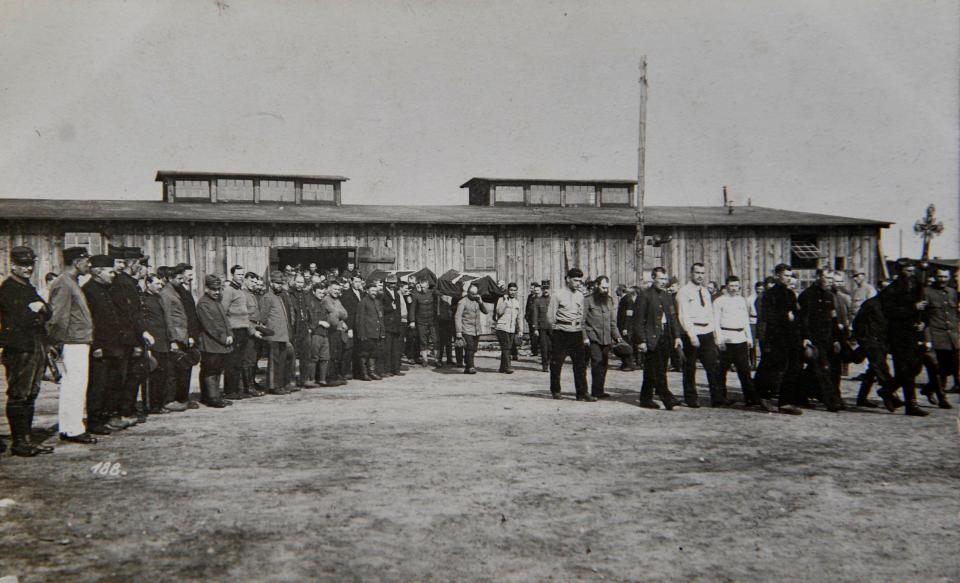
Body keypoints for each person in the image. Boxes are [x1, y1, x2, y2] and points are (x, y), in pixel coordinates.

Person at [0, 246, 54, 456]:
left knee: (31, 393)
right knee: (19, 394)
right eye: (23, 265)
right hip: (19, 348)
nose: (28, 268)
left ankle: (27, 438)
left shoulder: (27, 287)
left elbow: (48, 311)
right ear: (12, 265)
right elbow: (15, 321)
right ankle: (19, 442)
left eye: (30, 264)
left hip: (34, 346)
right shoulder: (8, 288)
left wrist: (40, 309)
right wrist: (34, 311)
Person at [47, 246, 99, 443]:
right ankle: (73, 429)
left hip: (78, 340)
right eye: (86, 261)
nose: (89, 265)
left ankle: (69, 427)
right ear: (77, 262)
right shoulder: (64, 284)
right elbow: (58, 317)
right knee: (75, 385)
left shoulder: (71, 282)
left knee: (75, 385)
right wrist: (55, 342)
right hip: (72, 341)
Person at [81, 255, 130, 435]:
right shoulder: (88, 291)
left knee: (113, 383)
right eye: (110, 272)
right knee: (98, 385)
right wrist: (96, 346)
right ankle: (94, 421)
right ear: (98, 272)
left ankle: (108, 417)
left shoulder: (107, 289)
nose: (113, 275)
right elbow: (90, 322)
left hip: (115, 346)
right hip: (101, 348)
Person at [879, 259, 929, 416]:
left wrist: (924, 323)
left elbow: (925, 308)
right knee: (905, 369)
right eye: (907, 270)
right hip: (899, 335)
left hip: (915, 332)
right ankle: (911, 405)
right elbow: (890, 312)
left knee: (915, 367)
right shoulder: (891, 290)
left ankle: (887, 389)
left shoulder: (917, 286)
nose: (911, 273)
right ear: (899, 271)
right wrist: (912, 308)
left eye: (912, 270)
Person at [108, 247, 152, 425]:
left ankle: (129, 408)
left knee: (134, 374)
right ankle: (124, 410)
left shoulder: (128, 282)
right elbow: (129, 314)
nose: (142, 268)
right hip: (129, 339)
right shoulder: (124, 283)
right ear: (132, 264)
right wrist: (137, 338)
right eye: (140, 263)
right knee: (128, 375)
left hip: (133, 337)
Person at [753, 264, 803, 415]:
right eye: (785, 275)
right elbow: (768, 317)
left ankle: (786, 402)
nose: (788, 278)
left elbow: (796, 316)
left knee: (791, 369)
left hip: (790, 338)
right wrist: (785, 316)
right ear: (777, 275)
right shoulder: (769, 295)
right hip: (775, 338)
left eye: (790, 275)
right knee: (771, 369)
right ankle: (763, 397)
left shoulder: (791, 294)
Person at [714, 276, 768, 410]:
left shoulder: (741, 301)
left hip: (740, 339)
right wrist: (719, 339)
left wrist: (748, 338)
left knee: (744, 371)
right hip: (726, 338)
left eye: (736, 286)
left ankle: (750, 398)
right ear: (726, 286)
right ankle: (720, 398)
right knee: (721, 371)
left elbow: (745, 320)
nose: (734, 288)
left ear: (739, 287)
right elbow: (715, 322)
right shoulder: (719, 301)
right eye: (731, 286)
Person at [676, 263, 726, 407]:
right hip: (692, 333)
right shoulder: (684, 292)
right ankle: (691, 398)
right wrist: (691, 335)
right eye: (697, 272)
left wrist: (716, 336)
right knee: (690, 367)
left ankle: (717, 398)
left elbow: (711, 315)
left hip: (707, 333)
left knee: (713, 365)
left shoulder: (705, 292)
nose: (700, 276)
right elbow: (683, 316)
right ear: (691, 273)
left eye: (702, 273)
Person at [634, 267, 682, 410]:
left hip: (665, 337)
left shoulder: (667, 296)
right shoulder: (645, 295)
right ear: (653, 278)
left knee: (653, 370)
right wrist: (641, 340)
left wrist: (677, 336)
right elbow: (638, 321)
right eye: (660, 279)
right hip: (651, 338)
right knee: (657, 370)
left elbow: (673, 318)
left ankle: (645, 399)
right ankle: (668, 399)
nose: (663, 282)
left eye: (665, 279)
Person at [797, 268, 844, 411]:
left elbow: (833, 319)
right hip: (814, 339)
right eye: (826, 277)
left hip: (828, 339)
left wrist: (836, 339)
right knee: (822, 369)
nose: (830, 281)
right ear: (818, 277)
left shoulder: (830, 296)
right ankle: (831, 401)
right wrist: (805, 337)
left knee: (822, 370)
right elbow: (803, 319)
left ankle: (802, 396)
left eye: (831, 278)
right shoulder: (807, 295)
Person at [546, 268, 591, 401]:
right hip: (561, 333)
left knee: (580, 364)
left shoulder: (580, 295)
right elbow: (550, 317)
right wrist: (554, 333)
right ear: (568, 279)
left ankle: (582, 393)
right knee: (556, 363)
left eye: (580, 281)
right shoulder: (557, 295)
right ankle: (556, 390)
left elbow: (581, 316)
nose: (578, 283)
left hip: (576, 333)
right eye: (576, 280)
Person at [852, 294, 897, 409]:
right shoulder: (870, 304)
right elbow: (857, 322)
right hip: (871, 342)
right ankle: (889, 395)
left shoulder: (890, 305)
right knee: (881, 368)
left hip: (882, 343)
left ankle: (862, 398)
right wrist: (864, 340)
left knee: (872, 370)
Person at [583, 276, 624, 400]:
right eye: (603, 287)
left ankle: (599, 390)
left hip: (606, 338)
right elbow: (582, 321)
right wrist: (585, 337)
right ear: (596, 285)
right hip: (593, 337)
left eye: (607, 288)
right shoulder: (588, 300)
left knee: (604, 364)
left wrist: (617, 337)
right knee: (596, 362)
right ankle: (595, 390)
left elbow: (612, 322)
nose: (605, 290)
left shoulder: (609, 300)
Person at [922, 267, 957, 408]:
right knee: (936, 369)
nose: (943, 280)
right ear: (935, 277)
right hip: (935, 337)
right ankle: (942, 397)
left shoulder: (952, 292)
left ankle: (928, 389)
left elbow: (954, 316)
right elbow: (923, 318)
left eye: (945, 277)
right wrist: (927, 339)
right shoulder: (926, 292)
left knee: (950, 369)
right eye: (940, 277)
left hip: (952, 337)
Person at [196, 275, 233, 408]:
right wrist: (224, 337)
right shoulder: (203, 303)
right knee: (211, 370)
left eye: (218, 289)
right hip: (210, 344)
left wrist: (230, 334)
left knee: (217, 369)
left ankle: (213, 395)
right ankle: (212, 398)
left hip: (220, 343)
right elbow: (210, 325)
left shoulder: (216, 301)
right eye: (213, 289)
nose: (217, 292)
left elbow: (225, 320)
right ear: (206, 289)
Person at [158, 265, 191, 412]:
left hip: (181, 335)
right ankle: (169, 400)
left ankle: (178, 398)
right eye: (178, 278)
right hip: (176, 336)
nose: (181, 281)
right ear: (170, 279)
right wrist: (172, 340)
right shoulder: (166, 294)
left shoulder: (175, 291)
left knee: (179, 369)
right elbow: (168, 318)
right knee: (172, 371)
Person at [222, 265, 258, 400]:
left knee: (239, 362)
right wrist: (227, 332)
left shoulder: (241, 291)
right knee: (232, 362)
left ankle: (237, 389)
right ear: (232, 275)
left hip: (243, 330)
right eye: (238, 275)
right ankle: (230, 391)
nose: (241, 277)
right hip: (234, 330)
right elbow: (223, 312)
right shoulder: (228, 290)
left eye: (242, 274)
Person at [141, 274, 173, 414]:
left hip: (164, 341)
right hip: (153, 342)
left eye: (161, 284)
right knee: (153, 374)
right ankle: (151, 405)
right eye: (157, 284)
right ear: (148, 284)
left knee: (163, 374)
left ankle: (160, 404)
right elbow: (144, 322)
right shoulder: (143, 299)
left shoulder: (159, 298)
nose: (160, 286)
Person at [172, 263, 200, 407]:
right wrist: (189, 334)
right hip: (185, 335)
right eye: (189, 275)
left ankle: (184, 397)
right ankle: (181, 399)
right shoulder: (178, 291)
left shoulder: (184, 289)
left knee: (187, 367)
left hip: (190, 335)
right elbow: (183, 316)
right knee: (182, 367)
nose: (191, 278)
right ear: (181, 275)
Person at [320, 281, 351, 383]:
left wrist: (339, 315)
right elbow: (333, 317)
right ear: (329, 289)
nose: (337, 291)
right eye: (334, 289)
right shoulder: (326, 300)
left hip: (337, 331)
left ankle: (336, 375)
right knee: (332, 354)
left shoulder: (337, 300)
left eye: (338, 289)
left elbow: (346, 314)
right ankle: (330, 378)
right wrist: (340, 318)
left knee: (338, 354)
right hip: (330, 331)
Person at [454, 284, 487, 374]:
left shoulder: (477, 301)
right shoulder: (462, 302)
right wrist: (458, 331)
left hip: (476, 329)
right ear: (468, 292)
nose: (474, 295)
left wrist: (481, 302)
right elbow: (457, 317)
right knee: (470, 348)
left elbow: (485, 311)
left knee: (473, 349)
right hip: (466, 329)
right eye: (472, 293)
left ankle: (467, 367)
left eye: (476, 293)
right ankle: (471, 367)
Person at [355, 281, 384, 381]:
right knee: (364, 354)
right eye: (372, 291)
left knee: (373, 353)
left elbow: (380, 318)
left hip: (376, 333)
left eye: (375, 291)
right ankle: (364, 373)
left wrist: (382, 331)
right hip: (367, 333)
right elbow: (360, 319)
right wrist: (361, 334)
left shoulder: (377, 302)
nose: (374, 293)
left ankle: (372, 372)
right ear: (367, 291)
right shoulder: (363, 302)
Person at [409, 278, 439, 367]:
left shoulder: (433, 294)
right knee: (423, 341)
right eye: (421, 287)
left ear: (428, 286)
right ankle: (425, 360)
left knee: (436, 340)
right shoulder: (417, 296)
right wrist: (412, 321)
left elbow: (439, 290)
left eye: (424, 287)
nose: (422, 289)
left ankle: (437, 360)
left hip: (432, 321)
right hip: (421, 321)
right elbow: (412, 309)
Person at [494, 283, 523, 374]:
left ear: (516, 291)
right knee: (506, 347)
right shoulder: (501, 300)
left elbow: (519, 317)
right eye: (511, 290)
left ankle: (502, 367)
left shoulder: (517, 302)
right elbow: (499, 312)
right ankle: (508, 367)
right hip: (502, 327)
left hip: (511, 328)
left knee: (507, 347)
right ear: (507, 290)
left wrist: (521, 330)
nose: (512, 292)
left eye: (514, 290)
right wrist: (505, 302)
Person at [381, 275, 406, 377]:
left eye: (394, 283)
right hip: (388, 325)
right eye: (391, 283)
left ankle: (396, 369)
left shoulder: (397, 294)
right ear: (386, 283)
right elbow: (381, 309)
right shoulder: (383, 294)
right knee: (387, 349)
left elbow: (399, 310)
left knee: (396, 349)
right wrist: (390, 308)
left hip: (396, 325)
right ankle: (387, 370)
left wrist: (399, 323)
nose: (392, 285)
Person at [340, 274, 364, 379]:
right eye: (356, 281)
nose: (357, 284)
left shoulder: (362, 294)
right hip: (351, 325)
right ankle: (344, 372)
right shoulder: (346, 294)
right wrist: (349, 328)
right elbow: (347, 312)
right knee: (348, 349)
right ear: (351, 282)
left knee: (359, 349)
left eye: (359, 282)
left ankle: (357, 372)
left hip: (360, 326)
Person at [616, 285, 639, 371]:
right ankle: (625, 363)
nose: (615, 292)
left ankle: (629, 364)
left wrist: (626, 327)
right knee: (623, 345)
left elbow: (629, 315)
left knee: (627, 345)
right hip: (622, 326)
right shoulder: (624, 299)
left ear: (620, 290)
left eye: (616, 290)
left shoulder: (628, 299)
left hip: (626, 327)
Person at [531, 281, 552, 372]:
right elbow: (535, 315)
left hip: (553, 328)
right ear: (542, 289)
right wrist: (535, 328)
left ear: (550, 289)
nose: (546, 290)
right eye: (544, 288)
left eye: (547, 288)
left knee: (551, 347)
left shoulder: (553, 300)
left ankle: (549, 361)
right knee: (544, 347)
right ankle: (545, 365)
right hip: (542, 327)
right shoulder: (537, 300)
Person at [525, 282, 541, 357]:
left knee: (539, 336)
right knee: (532, 336)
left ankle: (540, 351)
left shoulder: (539, 297)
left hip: (538, 319)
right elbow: (527, 307)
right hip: (530, 319)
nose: (531, 290)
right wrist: (527, 316)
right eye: (531, 288)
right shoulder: (530, 296)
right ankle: (534, 351)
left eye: (533, 288)